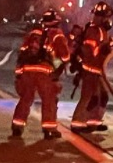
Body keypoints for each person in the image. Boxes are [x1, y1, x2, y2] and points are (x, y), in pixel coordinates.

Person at [11, 9, 71, 139]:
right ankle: (49, 129)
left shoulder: (33, 33)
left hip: (27, 69)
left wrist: (19, 73)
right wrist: (58, 67)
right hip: (44, 71)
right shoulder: (57, 34)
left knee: (25, 99)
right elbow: (65, 56)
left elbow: (22, 52)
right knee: (49, 100)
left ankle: (17, 126)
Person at [70, 1, 113, 133]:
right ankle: (77, 123)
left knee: (102, 96)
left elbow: (109, 42)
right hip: (90, 70)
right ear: (100, 17)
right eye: (106, 17)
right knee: (88, 97)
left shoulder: (102, 31)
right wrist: (103, 50)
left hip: (98, 70)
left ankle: (94, 121)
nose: (109, 20)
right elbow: (89, 50)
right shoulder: (93, 30)